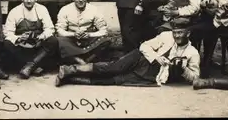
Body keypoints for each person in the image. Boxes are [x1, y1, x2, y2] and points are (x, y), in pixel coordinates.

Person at [55, 17, 200, 87]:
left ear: (188, 33)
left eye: (181, 33)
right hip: (140, 58)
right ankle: (70, 69)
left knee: (113, 81)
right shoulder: (166, 36)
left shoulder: (192, 53)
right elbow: (144, 46)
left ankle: (69, 78)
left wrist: (183, 68)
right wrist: (157, 57)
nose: (177, 36)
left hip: (153, 76)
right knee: (112, 68)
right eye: (176, 32)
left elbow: (194, 78)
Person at [3, 0, 58, 79]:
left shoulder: (42, 9)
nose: (29, 1)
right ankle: (34, 66)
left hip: (37, 43)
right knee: (7, 44)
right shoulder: (15, 11)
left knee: (53, 41)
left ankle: (30, 66)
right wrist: (18, 38)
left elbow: (50, 28)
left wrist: (42, 36)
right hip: (22, 45)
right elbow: (8, 32)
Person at [56, 0, 111, 64]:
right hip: (72, 40)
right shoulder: (65, 9)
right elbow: (60, 30)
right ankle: (81, 61)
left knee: (106, 40)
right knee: (58, 40)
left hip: (88, 40)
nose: (81, 0)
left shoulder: (94, 9)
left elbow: (104, 31)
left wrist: (89, 35)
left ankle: (83, 60)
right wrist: (73, 34)